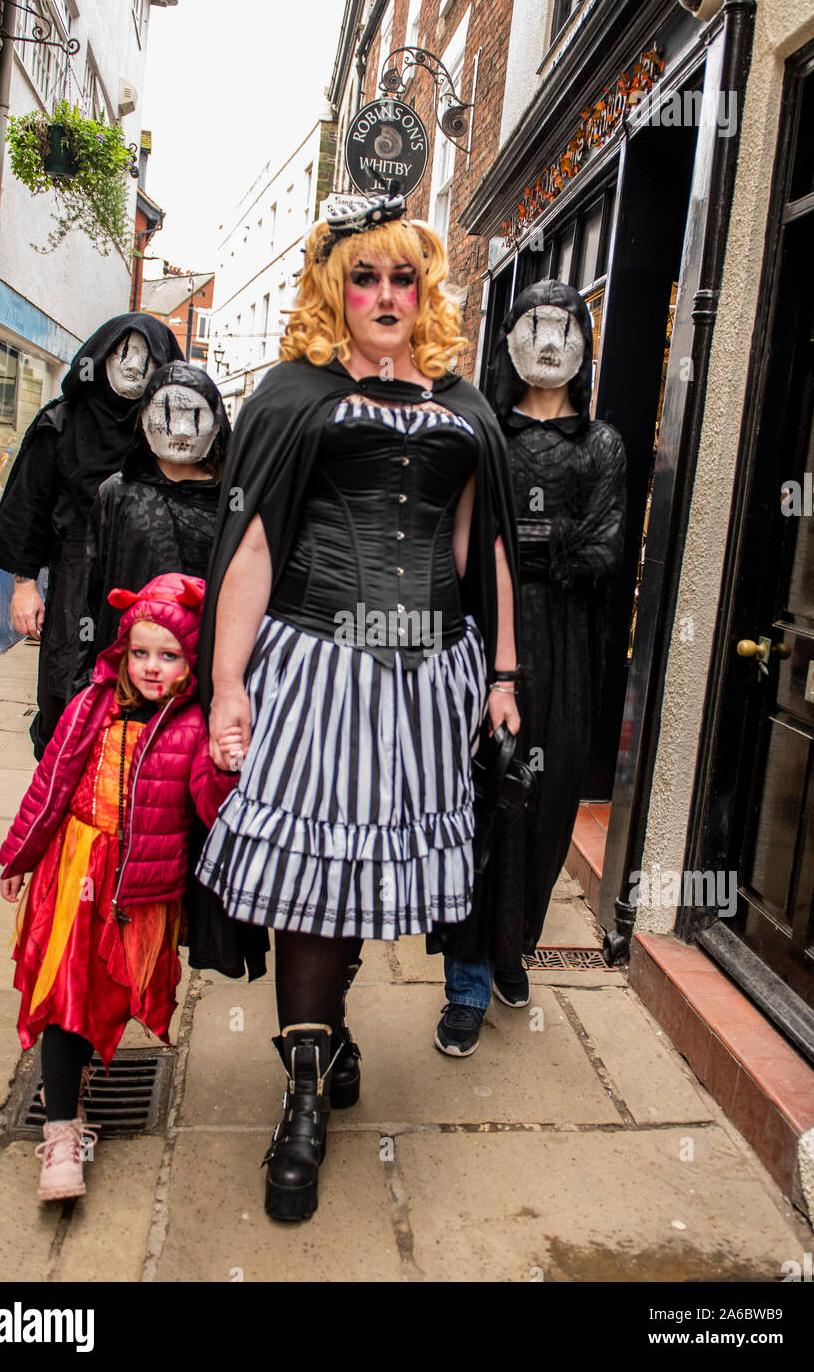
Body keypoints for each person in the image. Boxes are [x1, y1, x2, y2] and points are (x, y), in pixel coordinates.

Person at [196, 192, 521, 1221]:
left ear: (424, 290)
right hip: (316, 661)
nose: (384, 294)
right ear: (336, 288)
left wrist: (503, 677)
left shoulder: (465, 405)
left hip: (427, 676)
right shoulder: (294, 393)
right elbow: (252, 543)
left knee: (366, 874)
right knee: (311, 881)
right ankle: (301, 1092)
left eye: (402, 277)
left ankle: (325, 1034)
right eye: (364, 276)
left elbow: (486, 551)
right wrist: (226, 681)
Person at [0, 573, 237, 1202]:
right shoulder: (90, 706)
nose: (152, 667)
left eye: (170, 655)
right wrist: (19, 855)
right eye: (140, 652)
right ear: (120, 651)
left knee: (103, 998)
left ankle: (69, 1099)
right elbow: (49, 785)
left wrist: (226, 761)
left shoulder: (192, 726)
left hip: (136, 897)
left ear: (193, 661)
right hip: (72, 872)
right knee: (63, 995)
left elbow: (212, 810)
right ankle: (61, 1135)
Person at [434, 279, 626, 1052]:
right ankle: (466, 980)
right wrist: (523, 554)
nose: (550, 344)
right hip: (489, 640)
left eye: (565, 328)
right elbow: (465, 540)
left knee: (544, 809)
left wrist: (530, 549)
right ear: (510, 339)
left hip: (568, 648)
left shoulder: (602, 445)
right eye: (534, 327)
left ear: (585, 340)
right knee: (483, 808)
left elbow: (608, 546)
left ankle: (513, 946)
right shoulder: (486, 434)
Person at [76, 360, 268, 983]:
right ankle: (130, 944)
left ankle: (201, 934)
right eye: (168, 412)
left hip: (213, 690)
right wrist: (86, 688)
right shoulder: (117, 494)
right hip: (136, 693)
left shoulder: (241, 499)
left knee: (207, 816)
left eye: (195, 414)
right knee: (139, 822)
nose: (181, 429)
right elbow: (94, 592)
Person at [0, 312, 183, 759]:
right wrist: (23, 586)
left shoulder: (172, 430)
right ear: (102, 356)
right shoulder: (61, 422)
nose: (133, 366)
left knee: (144, 703)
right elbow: (27, 505)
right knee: (67, 693)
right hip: (76, 581)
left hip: (151, 583)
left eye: (146, 358)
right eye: (123, 353)